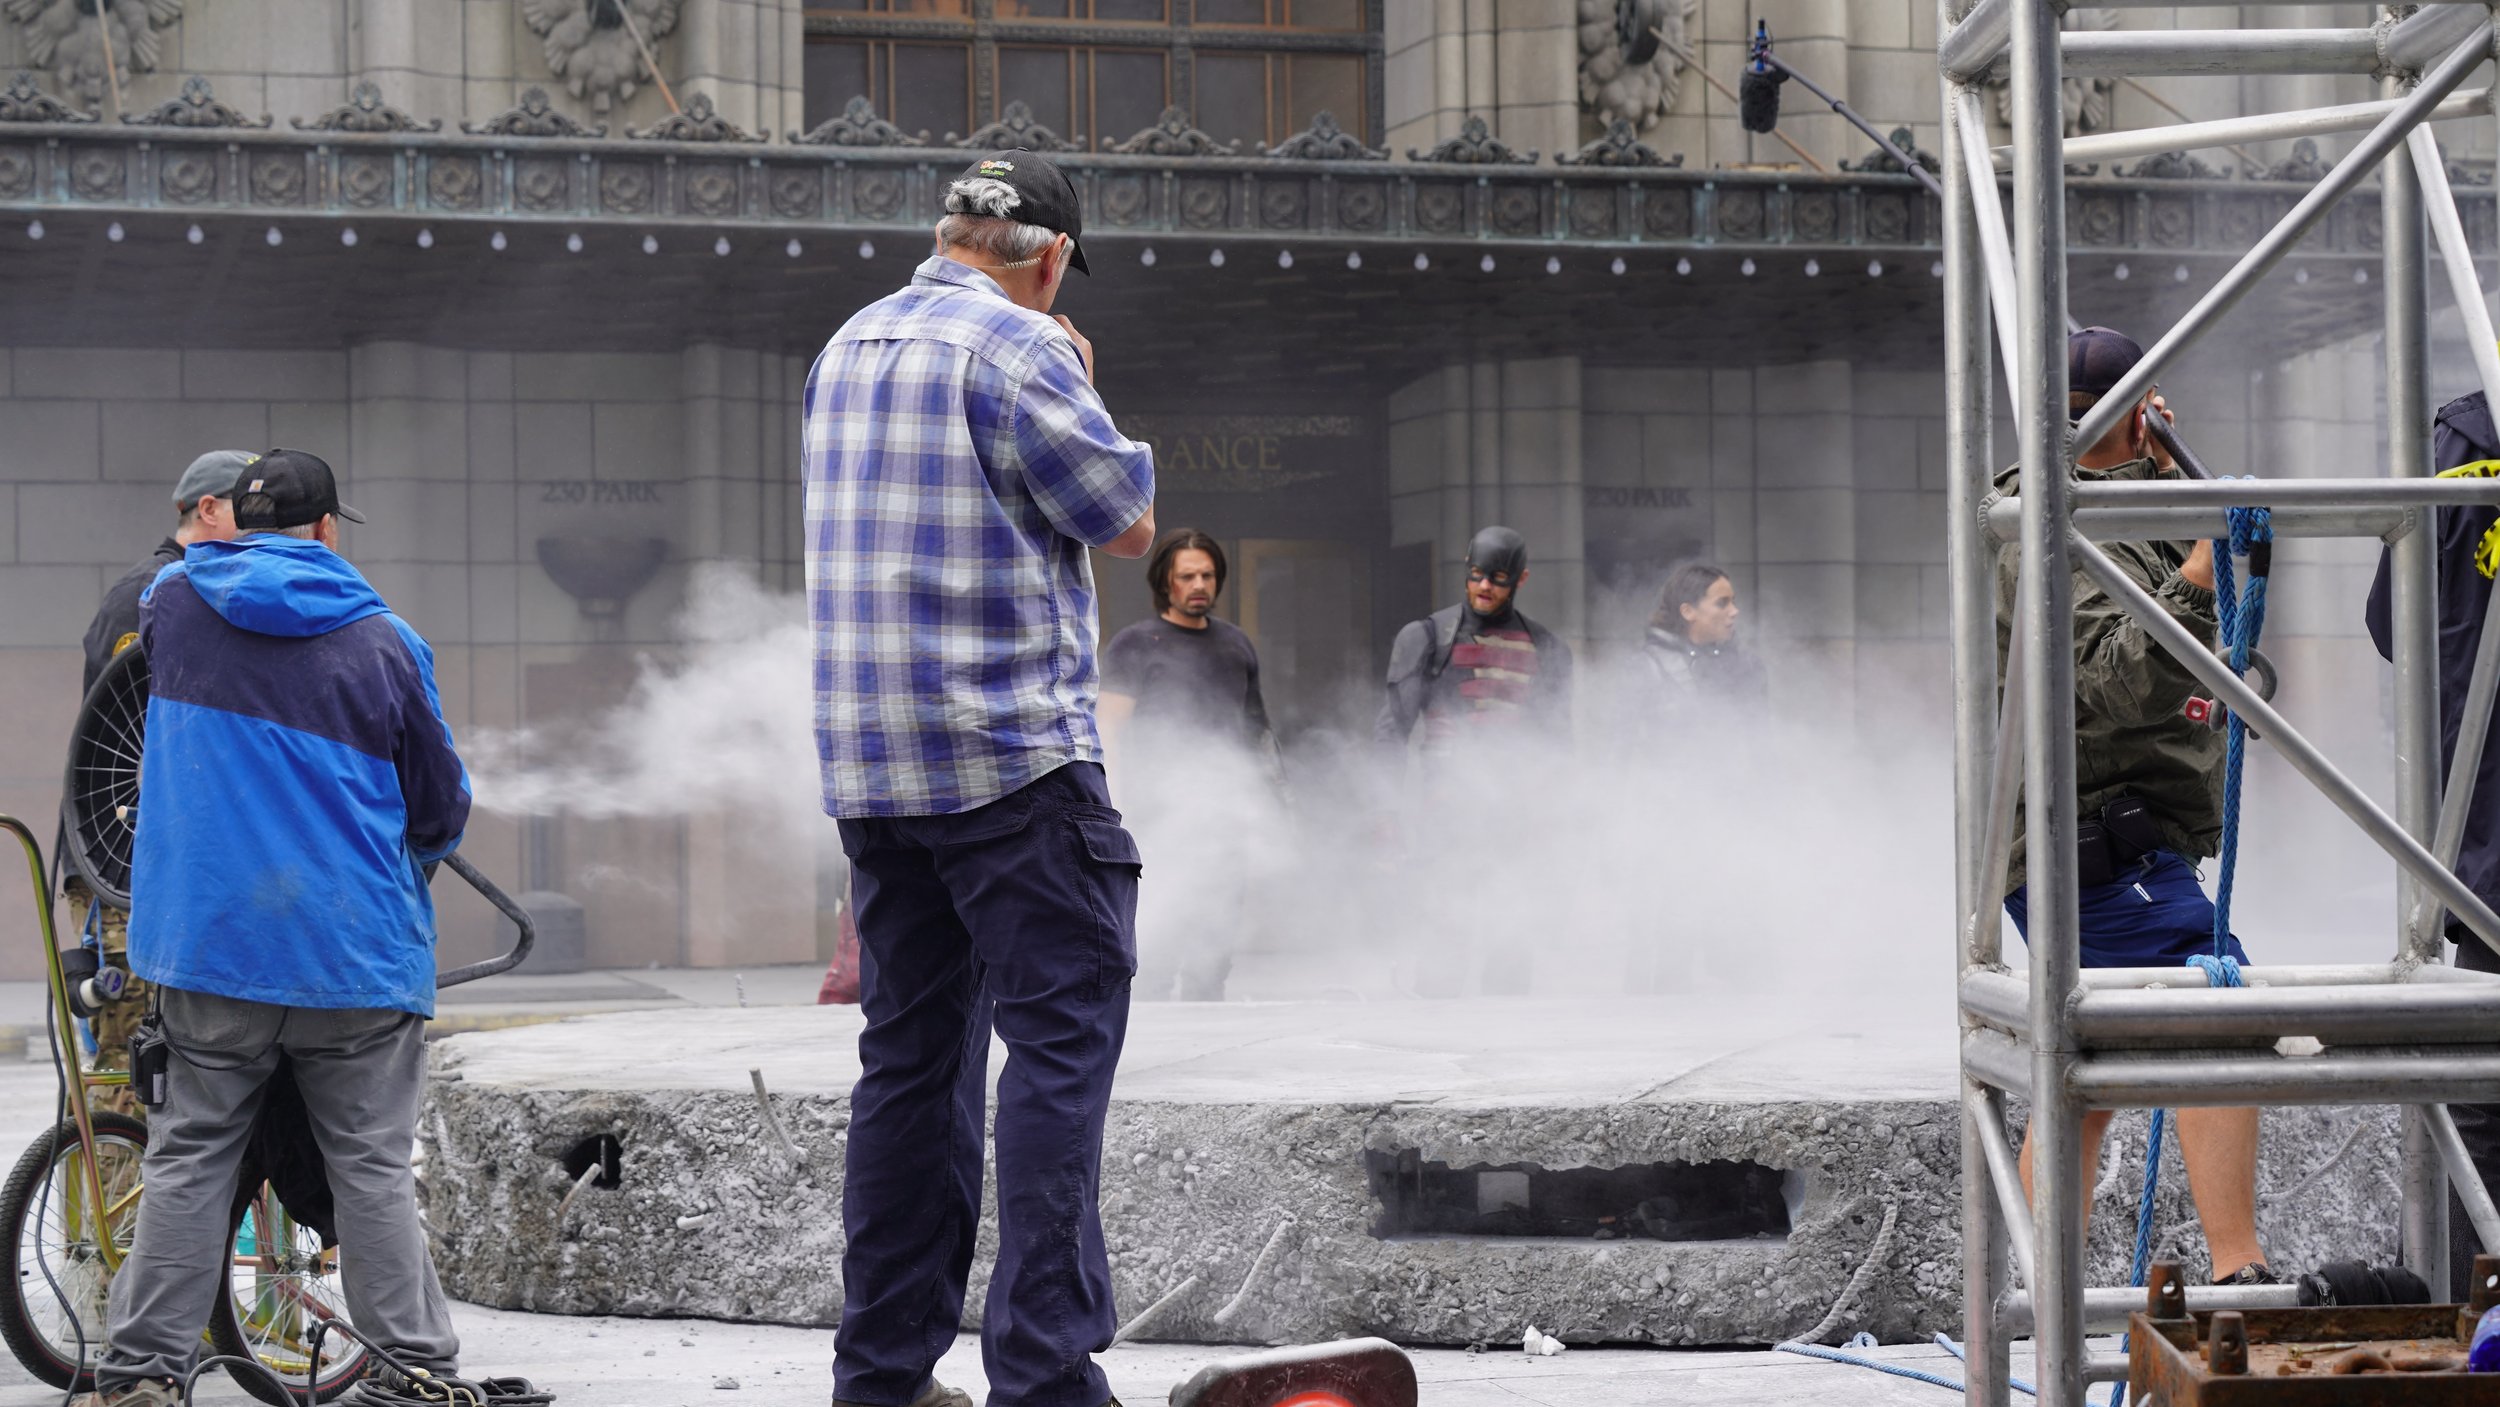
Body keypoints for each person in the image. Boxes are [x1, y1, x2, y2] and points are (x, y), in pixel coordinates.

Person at [804, 149, 1156, 1407]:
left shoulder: (843, 348)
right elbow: (1121, 515)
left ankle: (885, 1377)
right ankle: (1046, 1377)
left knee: (909, 1062)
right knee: (1057, 1050)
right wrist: (1080, 374)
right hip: (1009, 761)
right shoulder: (1021, 351)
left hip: (873, 771)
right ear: (1050, 258)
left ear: (947, 232)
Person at [92, 449, 471, 1407]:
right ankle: (412, 1369)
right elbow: (439, 805)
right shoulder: (388, 642)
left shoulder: (173, 605)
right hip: (351, 953)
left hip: (210, 947)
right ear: (329, 529)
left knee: (190, 1157)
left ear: (234, 524)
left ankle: (140, 1374)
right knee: (372, 1168)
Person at [1997, 327, 2274, 1289]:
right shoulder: (2044, 516)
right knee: (2217, 1002)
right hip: (2091, 844)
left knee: (2088, 1080)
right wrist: (2200, 566)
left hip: (2121, 838)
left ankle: (2050, 1296)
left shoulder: (2129, 504)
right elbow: (2114, 679)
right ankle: (2241, 1271)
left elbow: (2207, 665)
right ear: (2129, 408)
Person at [57, 450, 253, 1114]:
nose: (264, 530)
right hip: (123, 869)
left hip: (168, 864)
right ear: (207, 510)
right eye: (249, 513)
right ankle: (121, 1218)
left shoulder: (195, 591)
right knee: (133, 1063)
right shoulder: (152, 594)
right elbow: (126, 742)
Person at [2364, 388, 2500, 1300]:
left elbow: (2388, 624)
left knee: (2482, 1093)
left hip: (2479, 830)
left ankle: (2477, 1321)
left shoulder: (2455, 443)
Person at [1101, 529, 1274, 1001]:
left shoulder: (1236, 645)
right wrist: (1112, 807)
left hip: (1224, 817)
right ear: (1165, 583)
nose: (1200, 584)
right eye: (1187, 576)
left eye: (1208, 575)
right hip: (1156, 815)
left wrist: (1272, 803)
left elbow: (1257, 732)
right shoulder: (1135, 645)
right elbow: (1107, 731)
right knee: (1153, 946)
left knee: (1212, 953)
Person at [1376, 525, 1574, 758]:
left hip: (1521, 789)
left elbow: (1556, 741)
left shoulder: (1548, 649)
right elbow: (1390, 735)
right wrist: (1386, 794)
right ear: (1467, 564)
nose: (1484, 586)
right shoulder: (1426, 638)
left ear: (1521, 578)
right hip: (1445, 790)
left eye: (1499, 577)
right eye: (1477, 572)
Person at [1639, 561, 1767, 724]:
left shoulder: (1748, 664)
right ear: (1688, 611)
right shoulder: (1648, 668)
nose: (1735, 611)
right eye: (1722, 603)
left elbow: (1761, 736)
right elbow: (1624, 742)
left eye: (1733, 602)